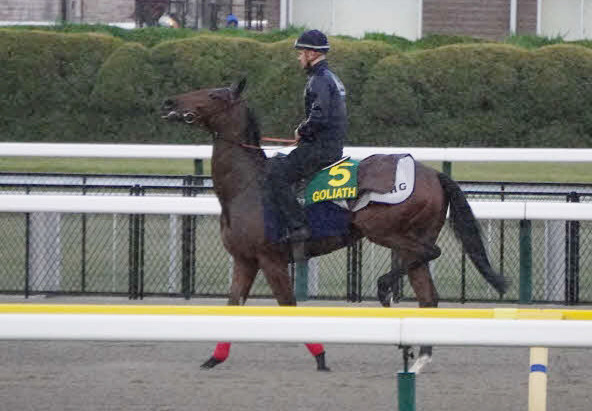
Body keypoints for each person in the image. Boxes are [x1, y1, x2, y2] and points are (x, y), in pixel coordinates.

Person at [264, 29, 347, 246]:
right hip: (328, 147)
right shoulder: (331, 77)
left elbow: (319, 117)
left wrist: (301, 130)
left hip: (320, 150)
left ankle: (298, 226)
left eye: (301, 53)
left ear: (311, 54)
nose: (299, 58)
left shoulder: (318, 79)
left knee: (274, 170)